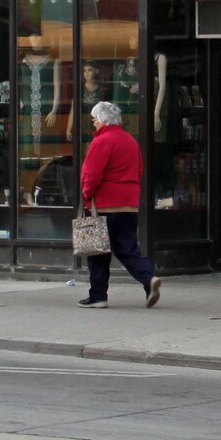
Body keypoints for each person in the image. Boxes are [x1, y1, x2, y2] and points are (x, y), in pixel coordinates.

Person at [78, 100, 161, 308]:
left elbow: (92, 175)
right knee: (128, 248)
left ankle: (98, 296)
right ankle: (148, 278)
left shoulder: (101, 141)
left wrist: (87, 196)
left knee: (98, 251)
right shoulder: (130, 141)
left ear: (104, 120)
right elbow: (139, 170)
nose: (93, 123)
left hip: (105, 204)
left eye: (95, 119)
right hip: (128, 204)